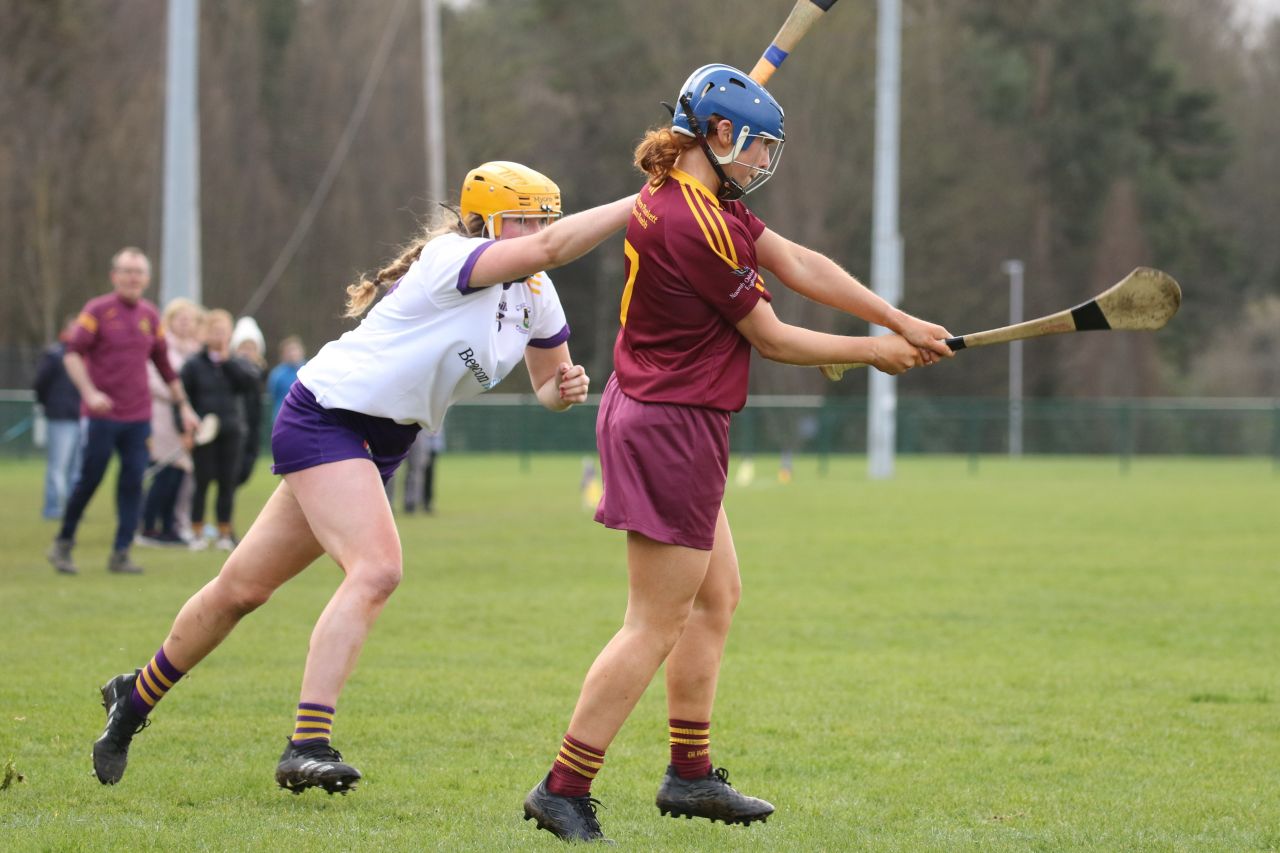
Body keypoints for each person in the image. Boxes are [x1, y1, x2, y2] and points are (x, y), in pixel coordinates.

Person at [89, 162, 635, 793]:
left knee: (240, 590)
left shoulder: (535, 294)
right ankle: (307, 743)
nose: (538, 232)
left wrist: (563, 391)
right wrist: (646, 196)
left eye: (543, 219)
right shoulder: (451, 258)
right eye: (525, 220)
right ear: (483, 220)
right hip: (327, 415)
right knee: (377, 569)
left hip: (382, 441)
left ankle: (131, 700)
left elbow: (546, 383)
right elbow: (555, 247)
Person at [521, 65, 953, 843]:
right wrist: (872, 352)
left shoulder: (688, 195)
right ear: (718, 135)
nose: (762, 164)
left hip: (668, 416)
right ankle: (563, 785)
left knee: (716, 599)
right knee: (652, 623)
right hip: (670, 425)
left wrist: (899, 318)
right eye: (756, 147)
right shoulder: (697, 225)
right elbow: (776, 336)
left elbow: (799, 263)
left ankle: (689, 774)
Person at [48, 248, 199, 576]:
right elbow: (72, 355)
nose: (133, 278)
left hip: (138, 417)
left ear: (146, 278)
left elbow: (164, 366)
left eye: (139, 272)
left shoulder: (150, 315)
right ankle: (63, 542)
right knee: (90, 477)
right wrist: (90, 392)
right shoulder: (97, 311)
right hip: (102, 415)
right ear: (114, 275)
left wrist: (184, 406)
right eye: (127, 271)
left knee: (133, 482)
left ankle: (121, 552)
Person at [181, 309, 260, 551]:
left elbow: (248, 384)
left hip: (231, 430)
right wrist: (186, 430)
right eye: (215, 331)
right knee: (202, 483)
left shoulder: (236, 364)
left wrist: (227, 361)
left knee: (228, 483)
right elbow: (185, 398)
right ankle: (196, 532)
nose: (219, 336)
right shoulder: (193, 365)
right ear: (205, 334)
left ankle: (225, 532)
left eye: (224, 332)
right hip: (204, 433)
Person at [139, 298, 204, 547]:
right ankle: (149, 526)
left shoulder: (194, 350)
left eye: (190, 320)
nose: (186, 324)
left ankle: (171, 526)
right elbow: (153, 380)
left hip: (185, 416)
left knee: (180, 473)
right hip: (163, 414)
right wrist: (179, 397)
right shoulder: (162, 346)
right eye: (181, 319)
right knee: (166, 470)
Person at [33, 317, 83, 520]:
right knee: (58, 466)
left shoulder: (88, 355)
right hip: (60, 417)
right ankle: (53, 508)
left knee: (77, 468)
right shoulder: (54, 355)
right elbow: (40, 383)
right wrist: (49, 405)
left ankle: (73, 509)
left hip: (82, 416)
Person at [230, 316, 267, 488]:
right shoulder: (231, 370)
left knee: (245, 470)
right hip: (236, 428)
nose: (247, 352)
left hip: (252, 428)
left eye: (251, 347)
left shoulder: (260, 372)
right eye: (243, 347)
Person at [267, 335, 306, 427]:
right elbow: (273, 394)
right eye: (289, 351)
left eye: (295, 349)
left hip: (304, 419)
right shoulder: (277, 374)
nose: (293, 353)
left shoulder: (309, 370)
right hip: (282, 420)